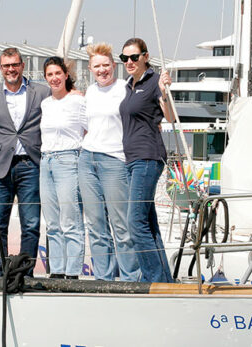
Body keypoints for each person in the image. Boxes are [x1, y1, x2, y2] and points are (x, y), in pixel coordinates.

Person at [0, 47, 51, 276]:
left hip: (31, 166)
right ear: (1, 69)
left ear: (22, 65)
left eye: (15, 65)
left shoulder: (41, 92)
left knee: (30, 225)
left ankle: (24, 273)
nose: (11, 69)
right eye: (6, 66)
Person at [78, 43, 140, 282]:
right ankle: (103, 279)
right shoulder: (90, 92)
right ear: (91, 69)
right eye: (97, 66)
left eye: (106, 65)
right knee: (95, 226)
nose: (102, 70)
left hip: (115, 161)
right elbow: (86, 126)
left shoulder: (126, 89)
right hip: (88, 159)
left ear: (113, 65)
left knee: (121, 226)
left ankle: (130, 279)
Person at [118, 38, 175, 283]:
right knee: (149, 224)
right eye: (125, 58)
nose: (129, 62)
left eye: (134, 57)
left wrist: (164, 91)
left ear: (145, 56)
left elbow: (170, 117)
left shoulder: (153, 82)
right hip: (132, 160)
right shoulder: (129, 85)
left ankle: (152, 280)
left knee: (135, 223)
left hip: (148, 157)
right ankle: (164, 280)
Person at [39, 56, 87, 279]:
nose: (54, 78)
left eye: (58, 73)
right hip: (45, 161)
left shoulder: (78, 101)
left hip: (68, 160)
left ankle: (73, 273)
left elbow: (90, 130)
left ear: (66, 75)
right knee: (52, 223)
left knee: (70, 220)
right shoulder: (46, 103)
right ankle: (56, 272)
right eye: (50, 74)